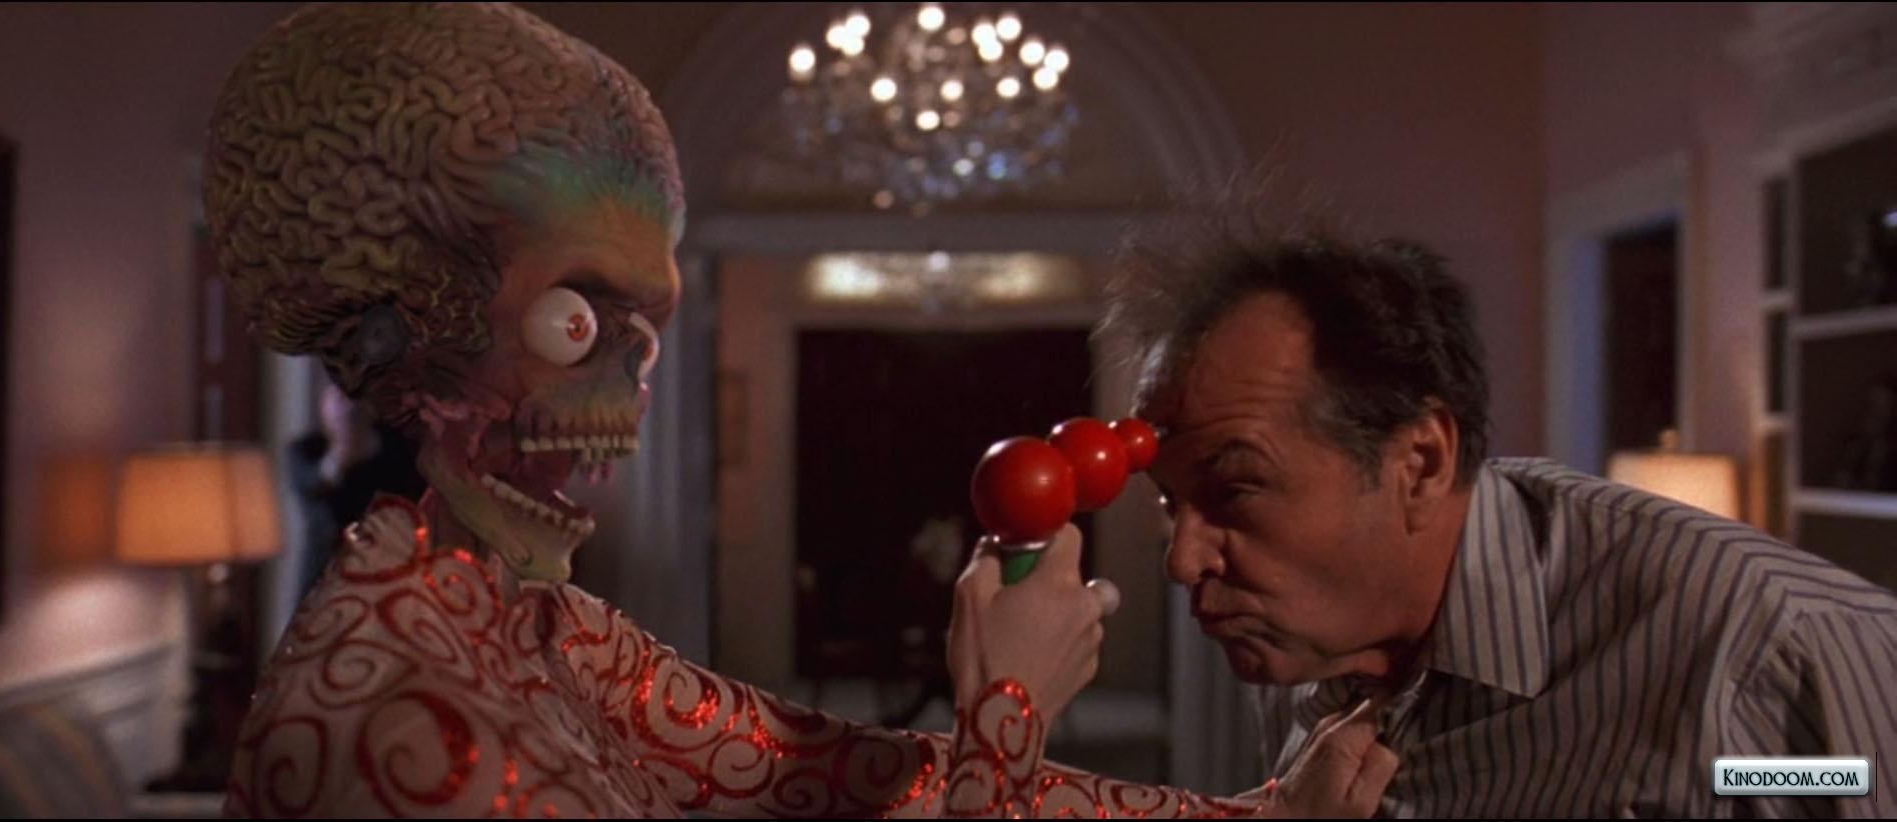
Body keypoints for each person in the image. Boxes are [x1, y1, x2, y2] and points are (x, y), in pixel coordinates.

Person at [203, 5, 1390, 817]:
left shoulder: (531, 619)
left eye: (645, 331)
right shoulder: (391, 713)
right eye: (574, 320)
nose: (633, 386)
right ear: (407, 324)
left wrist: (1263, 813)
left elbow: (846, 773)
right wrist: (1010, 706)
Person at [1092, 209, 1897, 817]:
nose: (1182, 561)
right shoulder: (1309, 646)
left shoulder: (1761, 654)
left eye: (1234, 491)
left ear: (1421, 463)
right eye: (1170, 501)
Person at [286, 379, 424, 593]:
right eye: (338, 401)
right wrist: (342, 453)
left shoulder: (400, 449)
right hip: (325, 572)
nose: (346, 410)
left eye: (351, 401)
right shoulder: (306, 451)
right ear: (324, 405)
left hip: (387, 570)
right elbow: (314, 486)